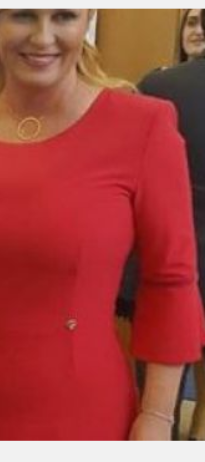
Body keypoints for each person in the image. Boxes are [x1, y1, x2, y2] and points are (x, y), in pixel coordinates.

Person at [0, 9, 205, 440]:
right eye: (24, 15)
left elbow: (170, 281)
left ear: (87, 19)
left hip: (83, 408)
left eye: (63, 16)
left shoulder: (143, 125)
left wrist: (157, 416)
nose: (43, 37)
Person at [137, 8, 205, 441]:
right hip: (173, 239)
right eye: (191, 22)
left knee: (159, 366)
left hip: (166, 243)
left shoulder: (158, 86)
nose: (196, 30)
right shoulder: (160, 84)